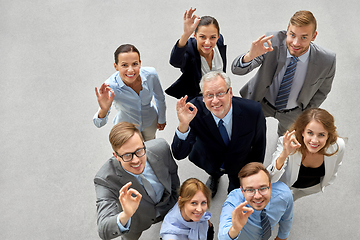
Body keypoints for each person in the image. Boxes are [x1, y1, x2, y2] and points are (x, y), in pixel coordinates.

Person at [231, 10, 336, 135]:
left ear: (313, 36)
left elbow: (322, 91)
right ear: (287, 30)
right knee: (247, 133)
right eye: (292, 35)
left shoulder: (327, 60)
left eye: (304, 37)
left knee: (286, 142)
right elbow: (236, 70)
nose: (296, 43)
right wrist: (249, 56)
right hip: (261, 101)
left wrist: (305, 113)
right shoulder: (272, 41)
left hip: (294, 112)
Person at [172, 71, 266, 197]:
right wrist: (184, 125)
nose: (215, 101)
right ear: (203, 98)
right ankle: (215, 176)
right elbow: (179, 154)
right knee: (214, 171)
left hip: (239, 163)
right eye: (209, 95)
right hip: (210, 160)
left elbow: (259, 145)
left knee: (236, 190)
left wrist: (254, 173)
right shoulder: (193, 111)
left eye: (220, 93)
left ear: (230, 92)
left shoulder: (253, 111)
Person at [94, 122, 180, 240]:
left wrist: (175, 197)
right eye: (127, 155)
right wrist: (126, 215)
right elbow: (103, 229)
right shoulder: (105, 179)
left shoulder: (161, 148)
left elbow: (173, 172)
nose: (136, 160)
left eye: (139, 150)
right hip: (135, 222)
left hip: (168, 206)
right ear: (116, 156)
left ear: (144, 144)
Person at [267, 108, 345, 201]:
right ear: (303, 132)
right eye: (310, 133)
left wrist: (326, 182)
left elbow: (335, 167)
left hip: (310, 188)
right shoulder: (288, 142)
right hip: (285, 186)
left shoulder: (338, 146)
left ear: (328, 135)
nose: (314, 140)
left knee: (291, 199)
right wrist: (284, 154)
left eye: (321, 135)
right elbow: (270, 177)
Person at [93, 44, 166, 141]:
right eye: (124, 65)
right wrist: (104, 110)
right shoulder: (110, 86)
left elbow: (159, 97)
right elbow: (98, 123)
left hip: (150, 122)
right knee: (131, 153)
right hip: (126, 128)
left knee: (150, 148)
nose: (130, 70)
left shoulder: (151, 74)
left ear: (140, 63)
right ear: (116, 66)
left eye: (135, 64)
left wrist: (162, 119)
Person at [218, 162, 293, 240]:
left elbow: (287, 218)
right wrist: (234, 230)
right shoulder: (234, 202)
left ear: (270, 187)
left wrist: (282, 237)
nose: (257, 196)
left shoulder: (284, 195)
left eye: (263, 188)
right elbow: (222, 235)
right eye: (250, 190)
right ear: (242, 191)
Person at [165, 7, 227, 100]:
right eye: (202, 37)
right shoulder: (190, 50)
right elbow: (175, 62)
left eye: (213, 37)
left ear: (218, 36)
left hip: (220, 96)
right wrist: (186, 34)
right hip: (198, 99)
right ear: (195, 36)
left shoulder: (219, 42)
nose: (207, 42)